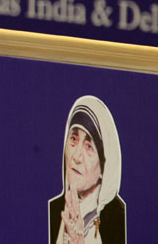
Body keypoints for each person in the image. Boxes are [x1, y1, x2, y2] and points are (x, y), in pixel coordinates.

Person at [48, 96, 126, 244]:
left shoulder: (118, 218)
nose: (76, 157)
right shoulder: (52, 210)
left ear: (104, 166)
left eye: (89, 146)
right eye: (73, 139)